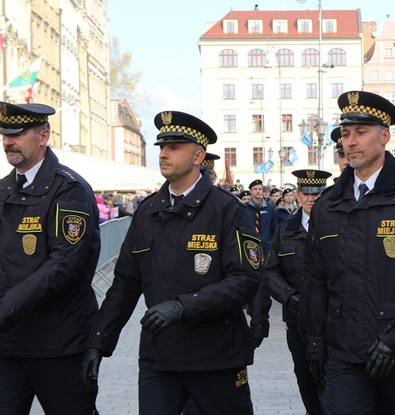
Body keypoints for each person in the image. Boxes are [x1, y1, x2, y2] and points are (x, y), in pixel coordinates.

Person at [81, 111, 262, 414]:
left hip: (216, 356)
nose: (163, 154)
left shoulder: (226, 210)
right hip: (160, 356)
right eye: (161, 147)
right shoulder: (148, 211)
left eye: (174, 147)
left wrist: (183, 306)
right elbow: (125, 284)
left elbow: (245, 280)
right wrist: (99, 341)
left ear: (198, 156)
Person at [304, 91, 395, 414]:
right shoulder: (328, 205)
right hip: (345, 351)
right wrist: (315, 344)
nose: (351, 142)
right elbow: (316, 280)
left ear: (384, 136)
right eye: (345, 134)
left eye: (361, 132)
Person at [0, 102, 100, 415]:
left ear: (43, 136)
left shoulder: (69, 190)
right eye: (4, 134)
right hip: (9, 344)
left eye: (16, 134)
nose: (7, 142)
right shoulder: (4, 189)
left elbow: (63, 266)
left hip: (59, 343)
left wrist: (4, 310)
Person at [266, 169, 331, 415]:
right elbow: (271, 271)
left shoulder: (338, 226)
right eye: (306, 193)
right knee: (304, 376)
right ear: (297, 195)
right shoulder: (285, 229)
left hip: (331, 316)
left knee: (333, 378)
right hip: (297, 318)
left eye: (317, 193)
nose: (312, 198)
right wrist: (289, 297)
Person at [244, 178, 278, 258]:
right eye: (255, 189)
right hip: (250, 247)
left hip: (266, 247)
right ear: (251, 191)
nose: (258, 191)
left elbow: (274, 227)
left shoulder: (269, 207)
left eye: (260, 189)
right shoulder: (244, 208)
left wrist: (272, 244)